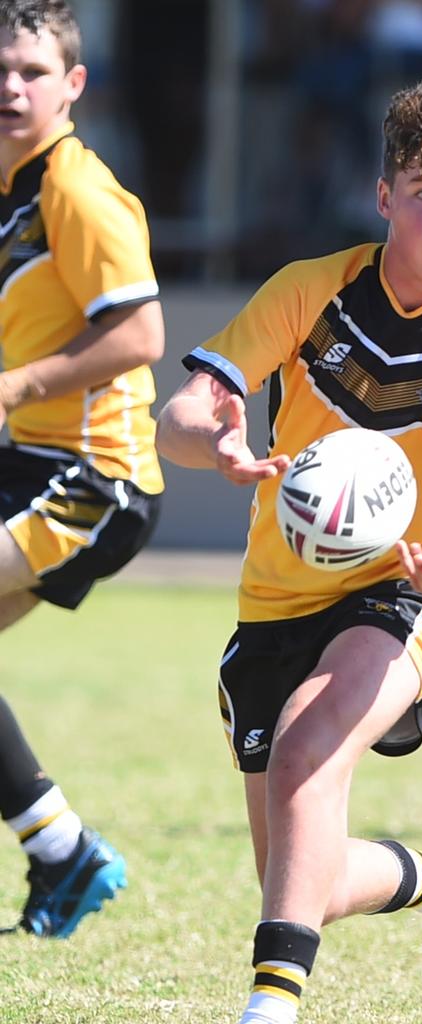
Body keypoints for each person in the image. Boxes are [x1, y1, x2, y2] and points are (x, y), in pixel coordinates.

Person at [156, 74, 422, 1024]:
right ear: (383, 198)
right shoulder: (311, 289)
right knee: (303, 880)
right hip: (276, 601)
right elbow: (179, 416)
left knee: (305, 749)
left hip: (409, 597)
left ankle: (269, 1010)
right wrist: (215, 442)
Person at [0, 0, 164, 936]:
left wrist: (19, 383)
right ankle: (61, 851)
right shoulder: (11, 186)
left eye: (30, 70)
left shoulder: (76, 188)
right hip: (26, 459)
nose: (11, 87)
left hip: (90, 475)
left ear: (73, 85)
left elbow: (141, 333)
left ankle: (64, 850)